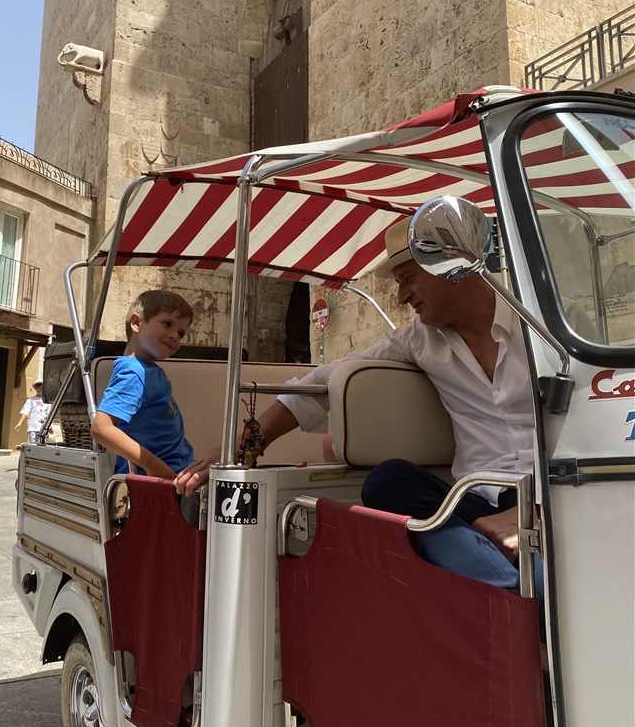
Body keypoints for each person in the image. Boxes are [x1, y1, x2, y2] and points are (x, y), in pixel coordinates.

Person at [175, 215, 541, 595]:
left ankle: (499, 593)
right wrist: (243, 447)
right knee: (388, 480)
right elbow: (323, 379)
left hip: (558, 501)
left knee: (550, 573)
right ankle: (510, 593)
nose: (401, 297)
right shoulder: (417, 341)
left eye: (407, 278)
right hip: (471, 501)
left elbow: (594, 433)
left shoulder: (546, 331)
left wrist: (527, 514)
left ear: (451, 262)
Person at [91, 290, 202, 479]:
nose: (175, 335)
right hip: (153, 483)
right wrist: (153, 465)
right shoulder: (134, 372)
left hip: (174, 475)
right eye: (167, 324)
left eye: (181, 333)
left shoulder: (148, 369)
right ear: (137, 323)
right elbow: (101, 428)